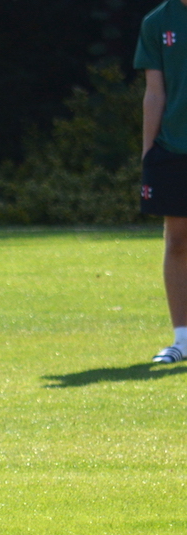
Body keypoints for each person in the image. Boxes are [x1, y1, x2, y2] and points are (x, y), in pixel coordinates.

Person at [135, 0, 187, 364]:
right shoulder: (157, 21)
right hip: (173, 148)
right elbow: (155, 91)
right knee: (178, 241)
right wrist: (148, 152)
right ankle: (183, 339)